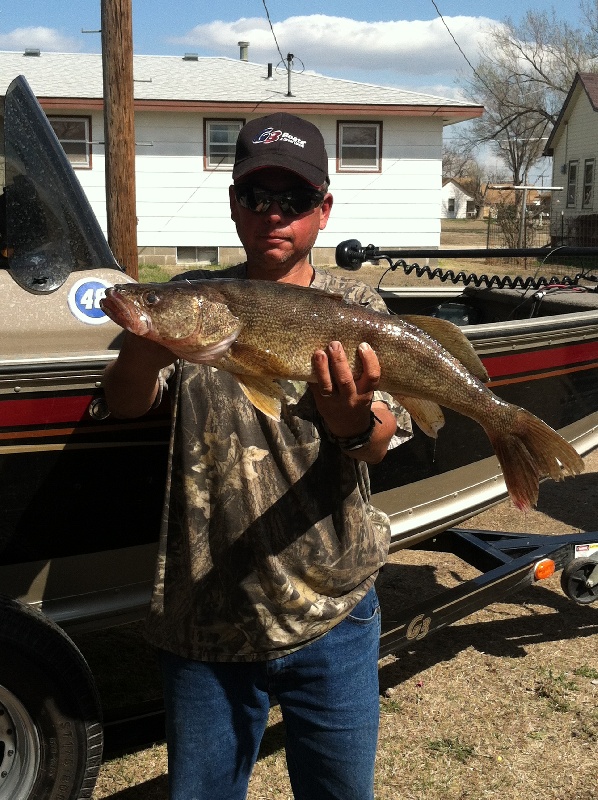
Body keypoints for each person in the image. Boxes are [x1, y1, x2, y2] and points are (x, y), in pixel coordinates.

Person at [102, 112, 412, 800]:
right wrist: (150, 333)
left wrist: (353, 423)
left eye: (294, 199)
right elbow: (125, 401)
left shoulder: (357, 305)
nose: (275, 214)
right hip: (205, 617)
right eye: (257, 196)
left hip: (333, 609)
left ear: (323, 210)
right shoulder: (195, 302)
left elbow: (388, 434)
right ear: (234, 204)